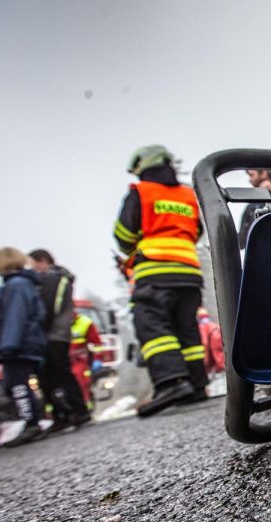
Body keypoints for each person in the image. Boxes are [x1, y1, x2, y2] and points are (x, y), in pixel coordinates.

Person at [114, 145, 209, 416]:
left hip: (154, 272)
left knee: (153, 326)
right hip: (189, 273)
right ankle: (196, 384)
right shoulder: (187, 195)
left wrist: (139, 245)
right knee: (186, 329)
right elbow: (197, 230)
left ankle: (171, 382)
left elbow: (124, 235)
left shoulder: (141, 192)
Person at [0, 248, 48, 446]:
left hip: (19, 345)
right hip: (24, 342)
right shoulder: (21, 283)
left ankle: (31, 424)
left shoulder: (15, 285)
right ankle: (32, 421)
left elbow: (15, 317)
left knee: (18, 385)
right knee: (18, 384)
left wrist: (8, 345)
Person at [28, 249, 91, 432]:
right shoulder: (53, 278)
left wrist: (40, 328)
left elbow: (49, 307)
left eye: (33, 264)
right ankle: (63, 413)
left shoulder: (54, 278)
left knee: (60, 372)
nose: (32, 269)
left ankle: (78, 410)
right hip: (55, 333)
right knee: (50, 375)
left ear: (42, 261)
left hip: (54, 334)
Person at [69, 311, 102, 411]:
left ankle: (86, 407)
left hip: (80, 360)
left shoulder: (85, 322)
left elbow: (96, 343)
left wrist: (97, 359)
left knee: (80, 380)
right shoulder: (56, 323)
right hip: (62, 360)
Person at [238, 169, 271, 249]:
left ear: (263, 173)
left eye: (252, 175)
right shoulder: (250, 207)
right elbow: (242, 240)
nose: (250, 180)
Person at [196, 307, 225, 376]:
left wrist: (206, 360)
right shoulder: (211, 323)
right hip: (218, 333)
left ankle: (222, 371)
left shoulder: (202, 326)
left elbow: (205, 342)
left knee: (218, 357)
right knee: (220, 355)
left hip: (214, 337)